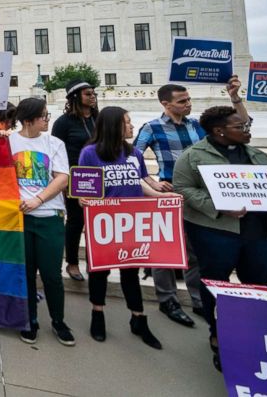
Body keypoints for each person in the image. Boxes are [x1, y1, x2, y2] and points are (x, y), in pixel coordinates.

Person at [173, 105, 267, 371]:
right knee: (215, 284)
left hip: (261, 233)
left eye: (246, 126)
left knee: (258, 285)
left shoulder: (259, 155)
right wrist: (218, 205)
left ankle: (254, 335)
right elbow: (183, 188)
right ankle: (219, 335)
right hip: (216, 232)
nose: (247, 130)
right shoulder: (193, 156)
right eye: (240, 127)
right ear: (219, 131)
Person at [133, 77, 245, 327]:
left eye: (189, 99)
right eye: (181, 101)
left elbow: (241, 127)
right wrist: (152, 183)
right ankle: (167, 299)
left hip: (200, 195)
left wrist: (234, 97)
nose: (188, 104)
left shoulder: (197, 126)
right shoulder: (152, 127)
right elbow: (132, 159)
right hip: (171, 195)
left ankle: (197, 298)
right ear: (166, 104)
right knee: (165, 250)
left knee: (195, 250)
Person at [76, 106, 164, 349]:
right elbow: (85, 190)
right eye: (127, 122)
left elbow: (140, 184)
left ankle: (138, 318)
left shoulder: (134, 152)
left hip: (131, 224)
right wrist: (85, 200)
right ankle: (98, 314)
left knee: (130, 273)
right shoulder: (90, 153)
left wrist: (163, 197)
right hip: (103, 224)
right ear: (114, 125)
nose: (131, 126)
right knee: (99, 272)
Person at [10, 97, 74, 346]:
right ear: (28, 120)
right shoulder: (9, 142)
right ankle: (30, 320)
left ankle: (58, 321)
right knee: (25, 273)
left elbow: (62, 178)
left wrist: (38, 199)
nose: (48, 120)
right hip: (19, 219)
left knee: (51, 275)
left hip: (49, 216)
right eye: (44, 116)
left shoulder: (54, 143)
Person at [51, 79, 99, 283]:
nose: (93, 96)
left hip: (99, 176)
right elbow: (55, 151)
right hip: (75, 178)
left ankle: (96, 260)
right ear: (75, 97)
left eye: (94, 93)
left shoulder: (99, 119)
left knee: (97, 221)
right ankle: (71, 262)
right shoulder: (63, 123)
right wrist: (62, 181)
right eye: (88, 93)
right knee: (75, 220)